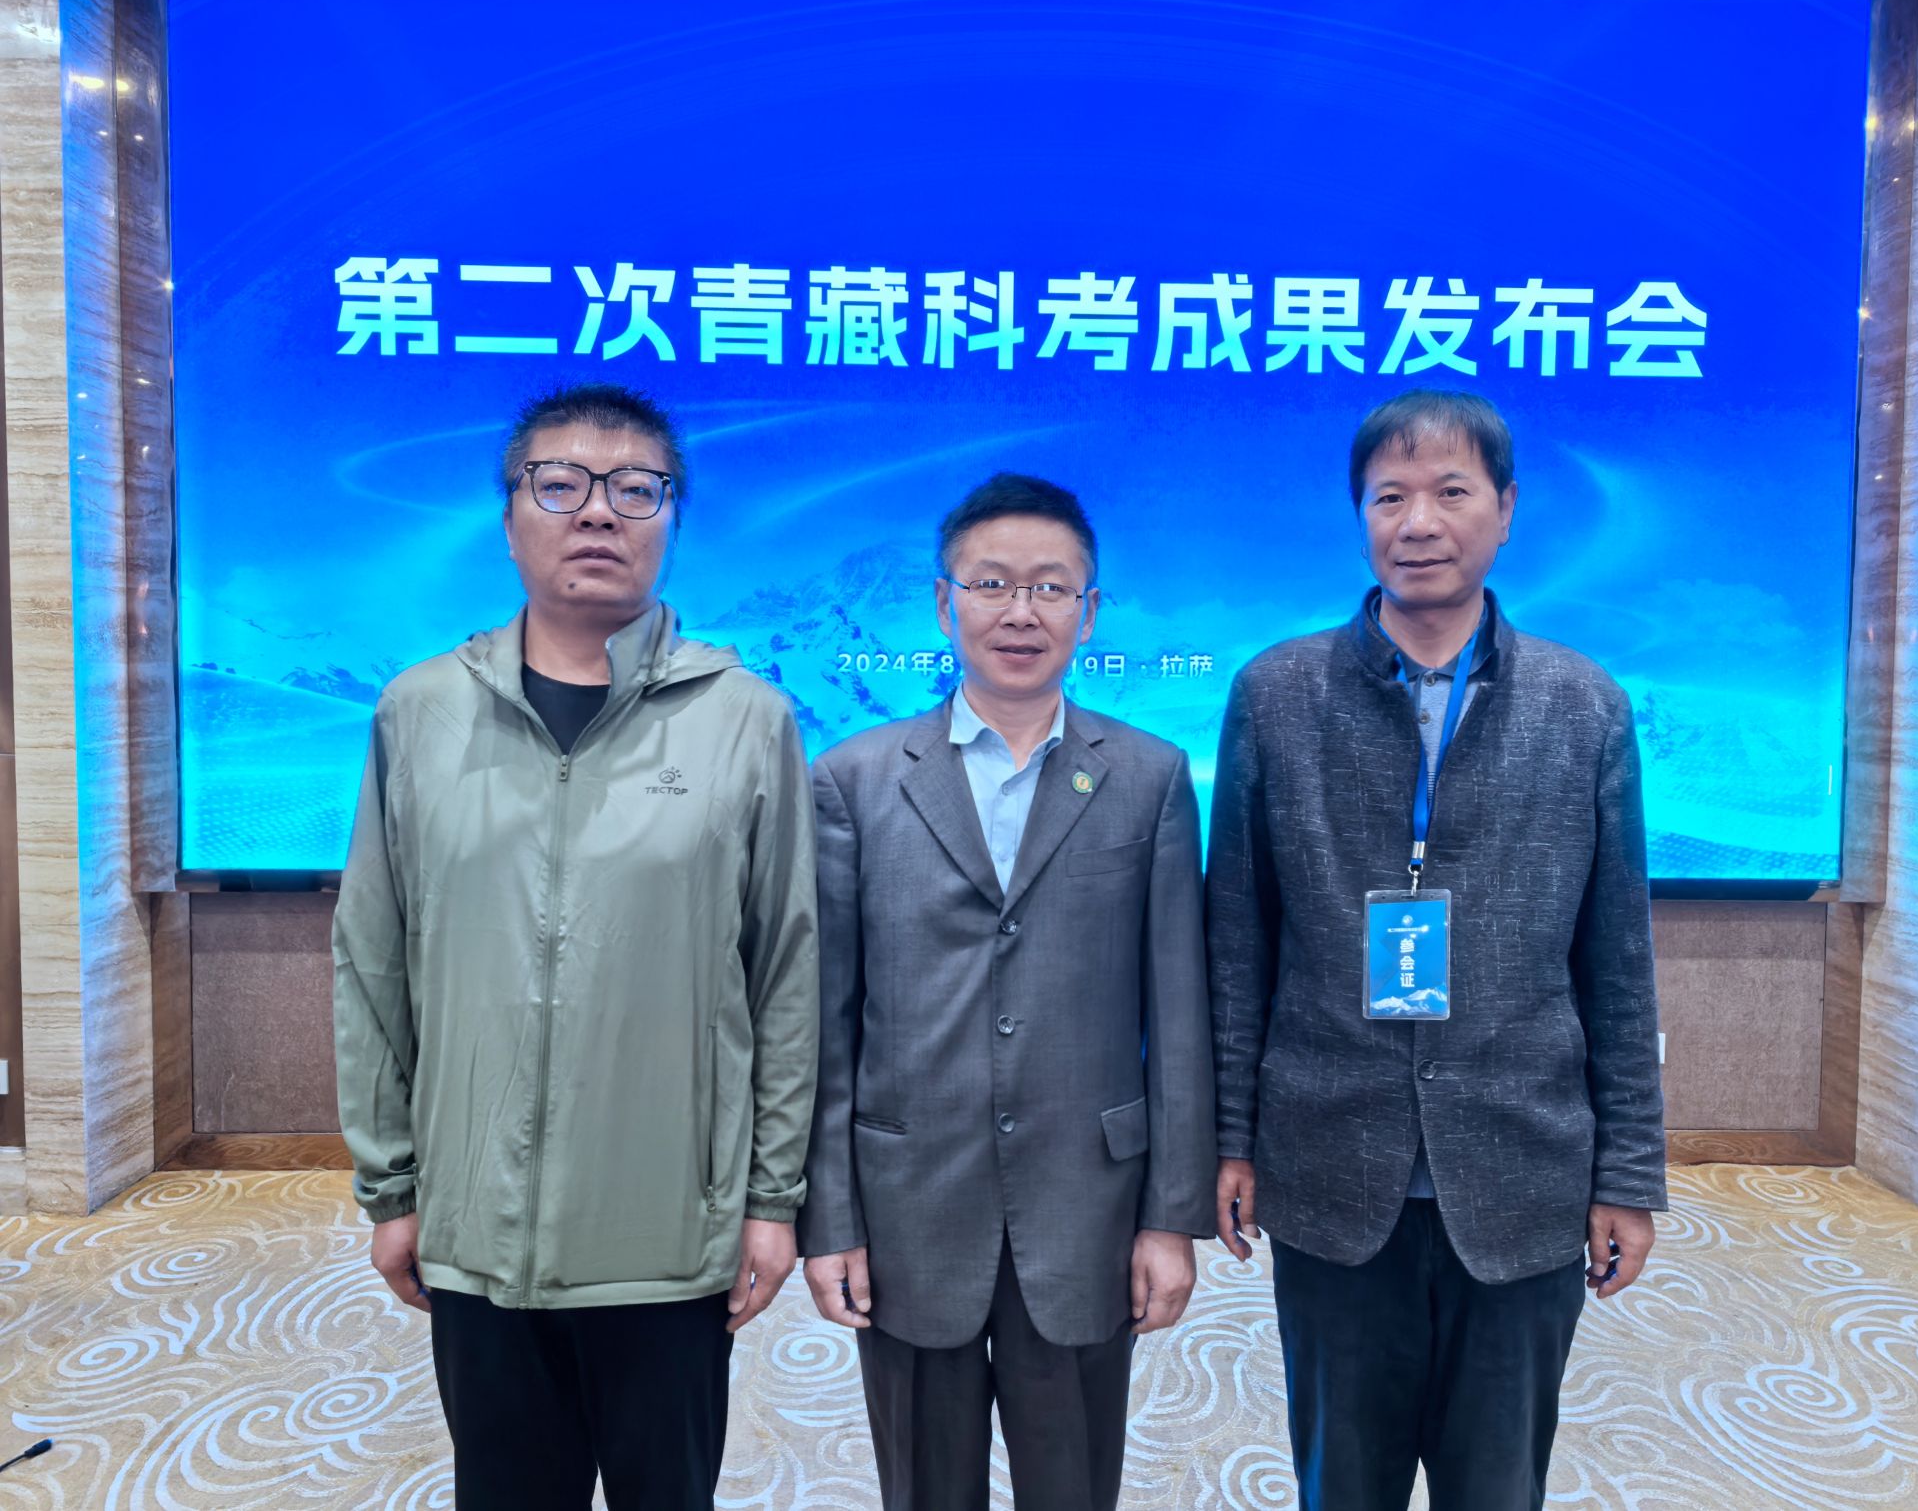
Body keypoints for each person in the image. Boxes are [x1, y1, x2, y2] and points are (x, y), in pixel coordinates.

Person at [332, 382, 819, 1510]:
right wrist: (391, 1186)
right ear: (510, 518)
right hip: (475, 1225)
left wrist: (772, 1198)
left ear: (672, 520)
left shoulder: (745, 719)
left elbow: (785, 973)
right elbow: (372, 961)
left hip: (670, 1230)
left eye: (636, 488)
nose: (597, 510)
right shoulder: (421, 712)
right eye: (559, 484)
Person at [1207, 390, 1667, 1511]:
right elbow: (1236, 947)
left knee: (1496, 1487)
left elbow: (1615, 962)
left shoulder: (1582, 706)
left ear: (1504, 510)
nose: (1418, 521)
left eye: (1451, 491)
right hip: (1328, 1163)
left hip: (1523, 1171)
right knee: (1342, 1485)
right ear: (1359, 516)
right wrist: (1227, 1140)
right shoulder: (1275, 695)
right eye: (1389, 496)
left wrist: (1626, 1173)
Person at [797, 473, 1216, 1511]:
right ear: (944, 603)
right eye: (991, 584)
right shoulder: (852, 778)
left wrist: (1170, 1219)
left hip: (1087, 1207)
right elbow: (825, 1026)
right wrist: (829, 1220)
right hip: (907, 1205)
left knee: (1072, 1486)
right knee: (924, 1489)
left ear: (1089, 611)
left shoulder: (1150, 776)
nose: (1019, 611)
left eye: (1049, 587)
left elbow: (1178, 1017)